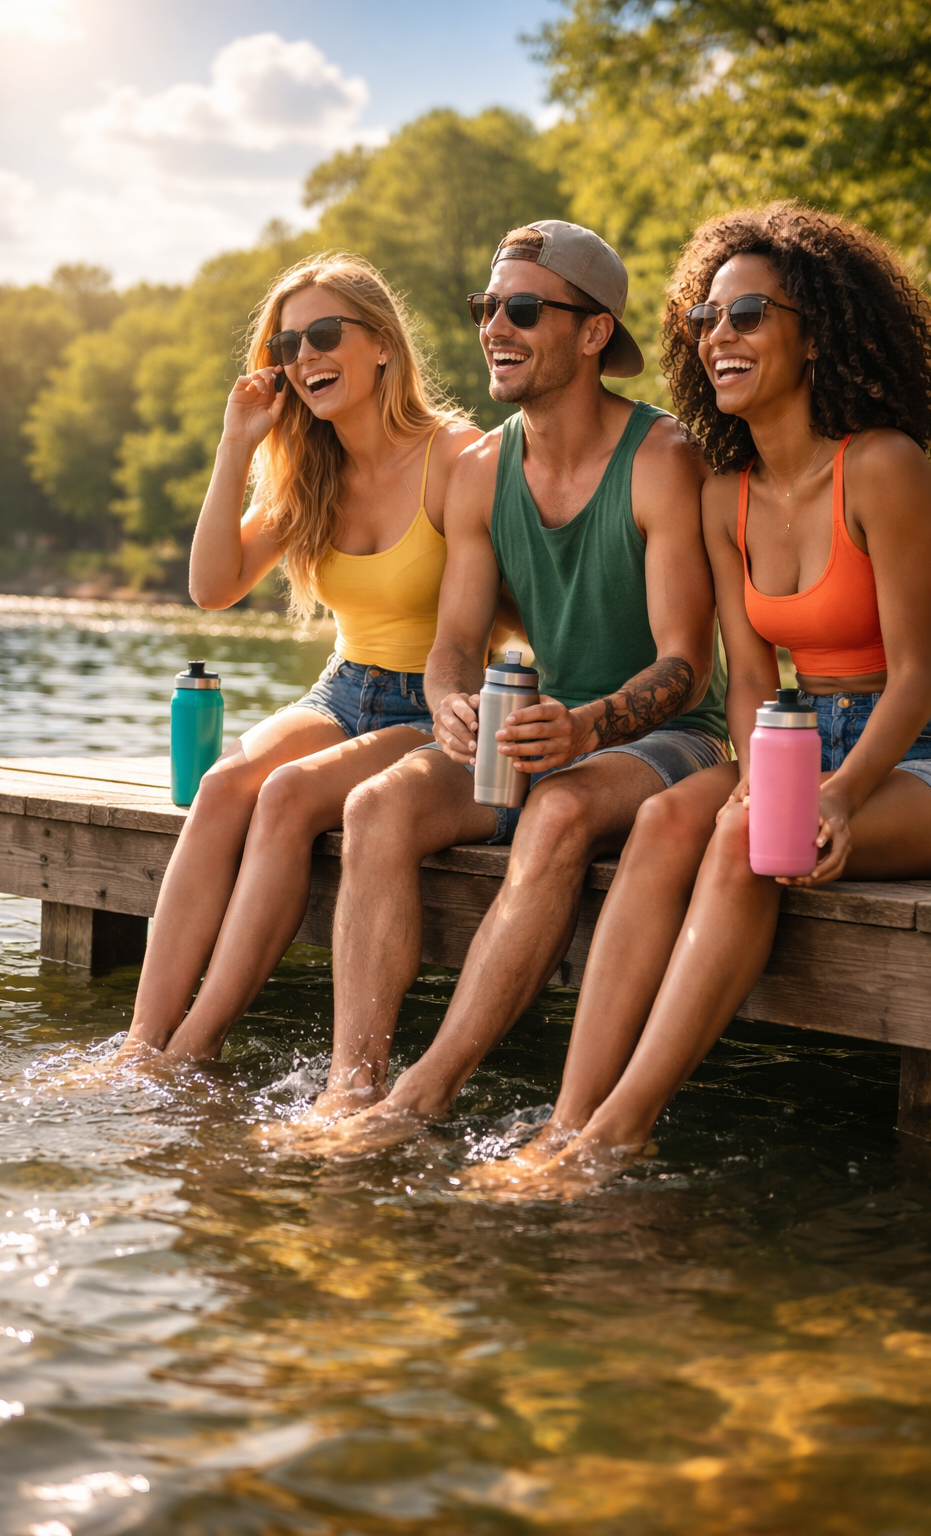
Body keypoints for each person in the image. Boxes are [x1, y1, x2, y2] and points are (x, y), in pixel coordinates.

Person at [472, 202, 931, 1198]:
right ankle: (565, 1117)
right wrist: (754, 778)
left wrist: (838, 794)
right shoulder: (725, 492)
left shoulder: (884, 466)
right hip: (798, 740)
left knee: (744, 836)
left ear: (814, 330)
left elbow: (913, 676)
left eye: (748, 316)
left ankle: (614, 1138)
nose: (719, 338)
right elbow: (754, 685)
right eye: (705, 322)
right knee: (673, 821)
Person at [270, 219, 729, 1151]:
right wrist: (448, 702)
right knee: (377, 808)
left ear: (593, 332)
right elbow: (454, 643)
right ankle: (351, 1087)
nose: (495, 329)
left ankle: (423, 1097)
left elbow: (686, 665)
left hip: (660, 741)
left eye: (523, 309)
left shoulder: (662, 459)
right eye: (488, 308)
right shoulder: (479, 470)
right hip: (535, 736)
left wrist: (590, 725)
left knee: (559, 812)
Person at [121, 253, 481, 1063]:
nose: (305, 358)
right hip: (343, 688)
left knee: (285, 797)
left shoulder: (456, 456)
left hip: (435, 703)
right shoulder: (307, 467)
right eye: (286, 348)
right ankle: (143, 1045)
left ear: (382, 344)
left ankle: (195, 1050)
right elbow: (212, 588)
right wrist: (236, 443)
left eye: (323, 335)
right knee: (221, 788)